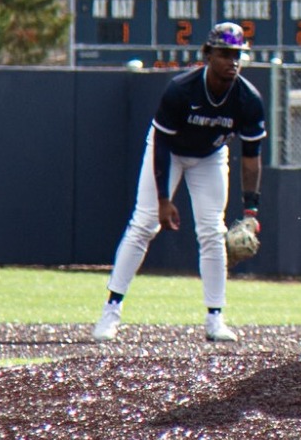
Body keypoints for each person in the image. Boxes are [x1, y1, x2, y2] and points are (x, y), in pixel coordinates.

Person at [92, 22, 267, 343]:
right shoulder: (182, 89)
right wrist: (163, 200)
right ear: (208, 54)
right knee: (143, 224)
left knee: (213, 232)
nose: (232, 61)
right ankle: (111, 311)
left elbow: (251, 157)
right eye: (225, 54)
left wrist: (251, 211)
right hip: (169, 151)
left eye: (237, 55)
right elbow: (161, 144)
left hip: (210, 156)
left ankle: (215, 318)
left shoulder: (248, 98)